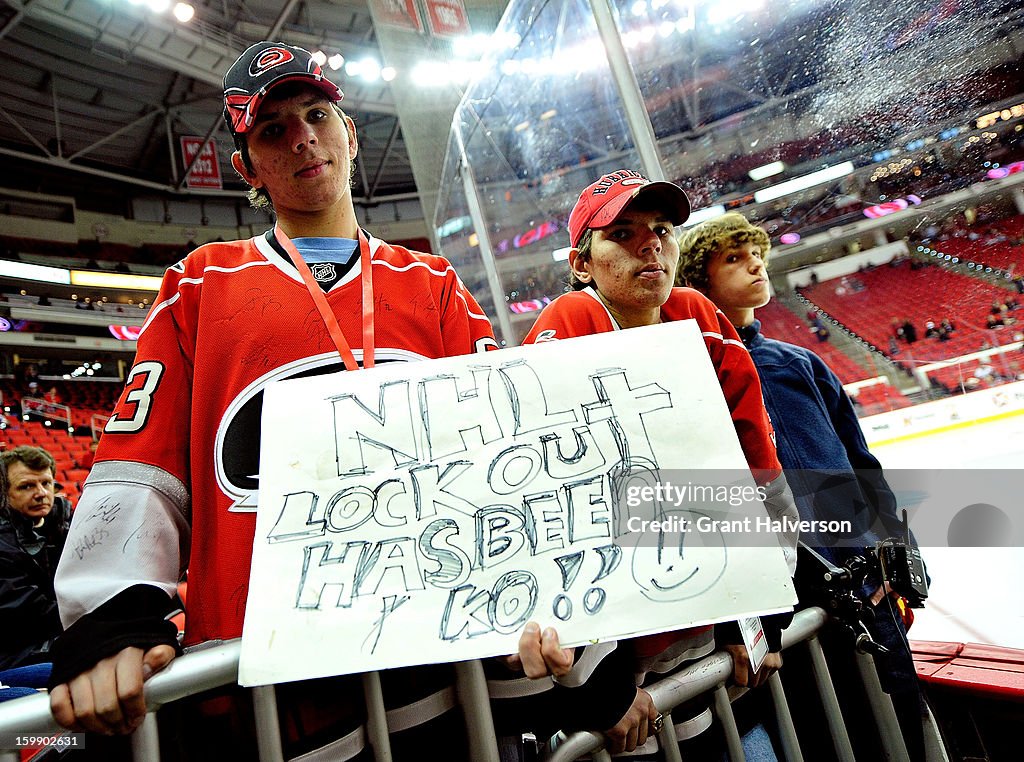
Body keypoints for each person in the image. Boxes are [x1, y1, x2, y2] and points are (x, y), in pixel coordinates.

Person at [49, 40, 496, 756]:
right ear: (246, 167)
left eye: (317, 114)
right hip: (273, 694)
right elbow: (143, 462)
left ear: (349, 133)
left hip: (438, 667)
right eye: (272, 129)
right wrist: (116, 617)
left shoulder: (435, 284)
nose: (303, 137)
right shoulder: (200, 284)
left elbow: (506, 450)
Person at [508, 171, 798, 757]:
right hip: (630, 665)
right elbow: (551, 515)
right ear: (583, 264)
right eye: (622, 233)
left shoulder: (699, 317)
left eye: (662, 230)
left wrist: (759, 617)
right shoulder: (567, 327)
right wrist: (601, 684)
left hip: (710, 643)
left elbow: (757, 471)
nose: (651, 244)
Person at [677, 211, 928, 762]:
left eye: (756, 253)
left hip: (867, 589)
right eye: (734, 258)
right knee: (828, 739)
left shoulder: (801, 363)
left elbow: (862, 464)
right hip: (789, 610)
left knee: (905, 730)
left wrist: (894, 548)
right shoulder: (694, 379)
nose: (755, 265)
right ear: (700, 280)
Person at [0, 446, 70, 671]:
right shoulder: (3, 542)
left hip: (65, 632)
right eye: (27, 486)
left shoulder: (71, 524)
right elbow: (28, 614)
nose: (41, 493)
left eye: (46, 483)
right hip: (16, 651)